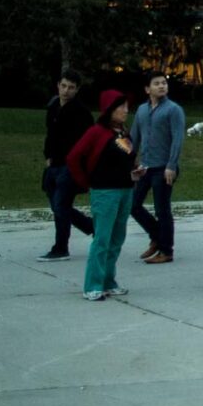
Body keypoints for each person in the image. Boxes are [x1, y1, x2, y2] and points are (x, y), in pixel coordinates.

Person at [67, 88, 138, 300]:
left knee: (117, 238)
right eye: (121, 106)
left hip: (126, 190)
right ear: (110, 109)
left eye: (126, 106)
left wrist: (135, 171)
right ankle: (92, 285)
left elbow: (126, 159)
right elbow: (73, 157)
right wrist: (86, 182)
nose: (126, 110)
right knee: (102, 239)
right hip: (105, 192)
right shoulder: (96, 132)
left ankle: (109, 280)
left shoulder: (123, 132)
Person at [128, 70, 185, 265]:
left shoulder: (173, 110)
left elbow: (178, 139)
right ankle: (157, 236)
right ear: (147, 89)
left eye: (164, 83)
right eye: (156, 83)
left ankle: (166, 250)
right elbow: (134, 138)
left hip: (164, 167)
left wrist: (171, 165)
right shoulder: (142, 111)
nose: (161, 86)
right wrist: (129, 162)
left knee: (162, 209)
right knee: (133, 205)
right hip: (145, 167)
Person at [39, 70, 93, 260]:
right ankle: (90, 226)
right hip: (53, 164)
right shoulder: (53, 105)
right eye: (64, 86)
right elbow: (50, 134)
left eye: (71, 87)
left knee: (61, 205)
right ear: (58, 86)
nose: (66, 91)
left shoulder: (81, 112)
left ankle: (61, 248)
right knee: (57, 206)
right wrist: (48, 156)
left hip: (70, 167)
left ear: (77, 90)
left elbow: (87, 142)